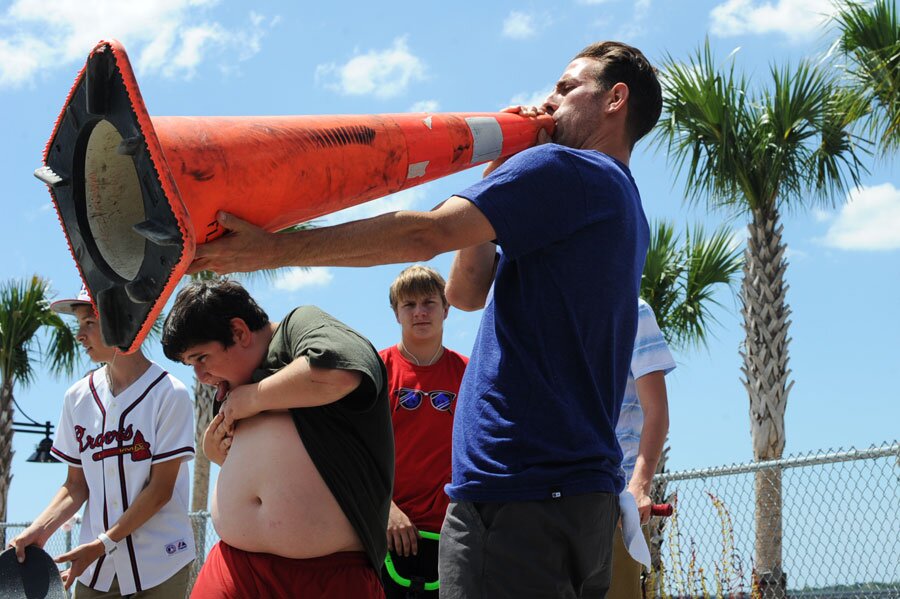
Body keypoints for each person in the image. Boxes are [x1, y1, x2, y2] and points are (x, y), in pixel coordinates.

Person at [187, 41, 662, 598]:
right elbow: (466, 291)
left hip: (517, 494)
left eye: (565, 88)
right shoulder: (621, 201)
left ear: (615, 99)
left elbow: (427, 234)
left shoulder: (566, 168)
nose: (547, 102)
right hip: (574, 498)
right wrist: (500, 167)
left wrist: (269, 250)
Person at [160, 279, 391, 598]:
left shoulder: (298, 326)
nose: (200, 377)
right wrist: (217, 454)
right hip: (232, 567)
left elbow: (341, 369)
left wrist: (253, 398)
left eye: (202, 358)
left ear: (239, 332)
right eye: (191, 365)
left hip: (328, 578)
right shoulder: (230, 386)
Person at [9, 285, 196, 597]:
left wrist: (103, 544)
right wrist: (38, 531)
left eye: (90, 323)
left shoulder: (169, 393)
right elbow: (76, 485)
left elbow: (161, 490)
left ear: (125, 319)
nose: (80, 335)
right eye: (79, 324)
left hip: (161, 564)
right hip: (94, 567)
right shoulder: (77, 397)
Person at [380, 265, 468, 598]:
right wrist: (386, 509)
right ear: (396, 313)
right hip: (389, 534)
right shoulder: (376, 369)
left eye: (429, 302)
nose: (420, 312)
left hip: (455, 533)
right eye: (409, 304)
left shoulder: (470, 372)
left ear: (446, 309)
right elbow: (352, 453)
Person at [608, 299, 676, 599]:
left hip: (614, 499)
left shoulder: (633, 310)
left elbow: (657, 410)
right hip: (555, 495)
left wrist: (639, 486)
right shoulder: (551, 306)